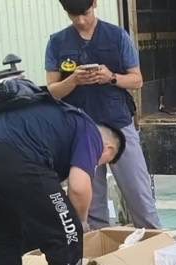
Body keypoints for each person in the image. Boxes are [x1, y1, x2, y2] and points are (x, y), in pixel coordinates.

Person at [0, 98, 124, 265]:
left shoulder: (56, 117)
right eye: (104, 161)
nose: (98, 164)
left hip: (0, 152)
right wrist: (78, 221)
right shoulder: (89, 130)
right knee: (66, 235)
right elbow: (79, 186)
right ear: (108, 148)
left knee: (5, 238)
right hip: (19, 157)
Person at [45, 0, 161, 230]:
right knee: (91, 201)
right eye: (73, 15)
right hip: (79, 130)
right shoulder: (57, 42)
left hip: (118, 126)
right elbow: (52, 91)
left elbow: (137, 80)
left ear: (95, 4)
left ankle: (155, 246)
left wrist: (111, 78)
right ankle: (98, 254)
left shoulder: (117, 36)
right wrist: (73, 80)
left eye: (85, 13)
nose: (80, 20)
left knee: (138, 192)